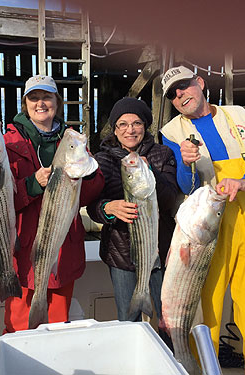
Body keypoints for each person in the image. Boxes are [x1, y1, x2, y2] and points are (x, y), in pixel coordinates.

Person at [160, 65, 245, 374]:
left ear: (200, 83)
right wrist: (186, 163)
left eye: (184, 86)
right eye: (173, 94)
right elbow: (183, 186)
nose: (180, 95)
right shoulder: (172, 133)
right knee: (206, 306)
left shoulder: (239, 116)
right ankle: (201, 369)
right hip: (206, 228)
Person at [0, 75, 104, 333]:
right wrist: (32, 183)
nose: (41, 103)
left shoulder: (70, 140)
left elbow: (85, 198)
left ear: (57, 103)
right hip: (22, 251)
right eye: (34, 98)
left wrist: (91, 171)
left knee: (58, 328)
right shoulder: (6, 143)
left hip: (63, 248)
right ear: (25, 104)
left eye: (47, 97)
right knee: (19, 328)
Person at [86, 97, 179, 327]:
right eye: (123, 124)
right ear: (115, 130)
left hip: (160, 251)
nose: (130, 130)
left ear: (145, 126)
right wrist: (108, 208)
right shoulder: (103, 159)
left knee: (168, 319)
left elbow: (168, 199)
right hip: (120, 254)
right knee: (129, 320)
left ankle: (170, 360)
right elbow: (92, 206)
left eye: (136, 123)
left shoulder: (162, 154)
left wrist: (151, 173)